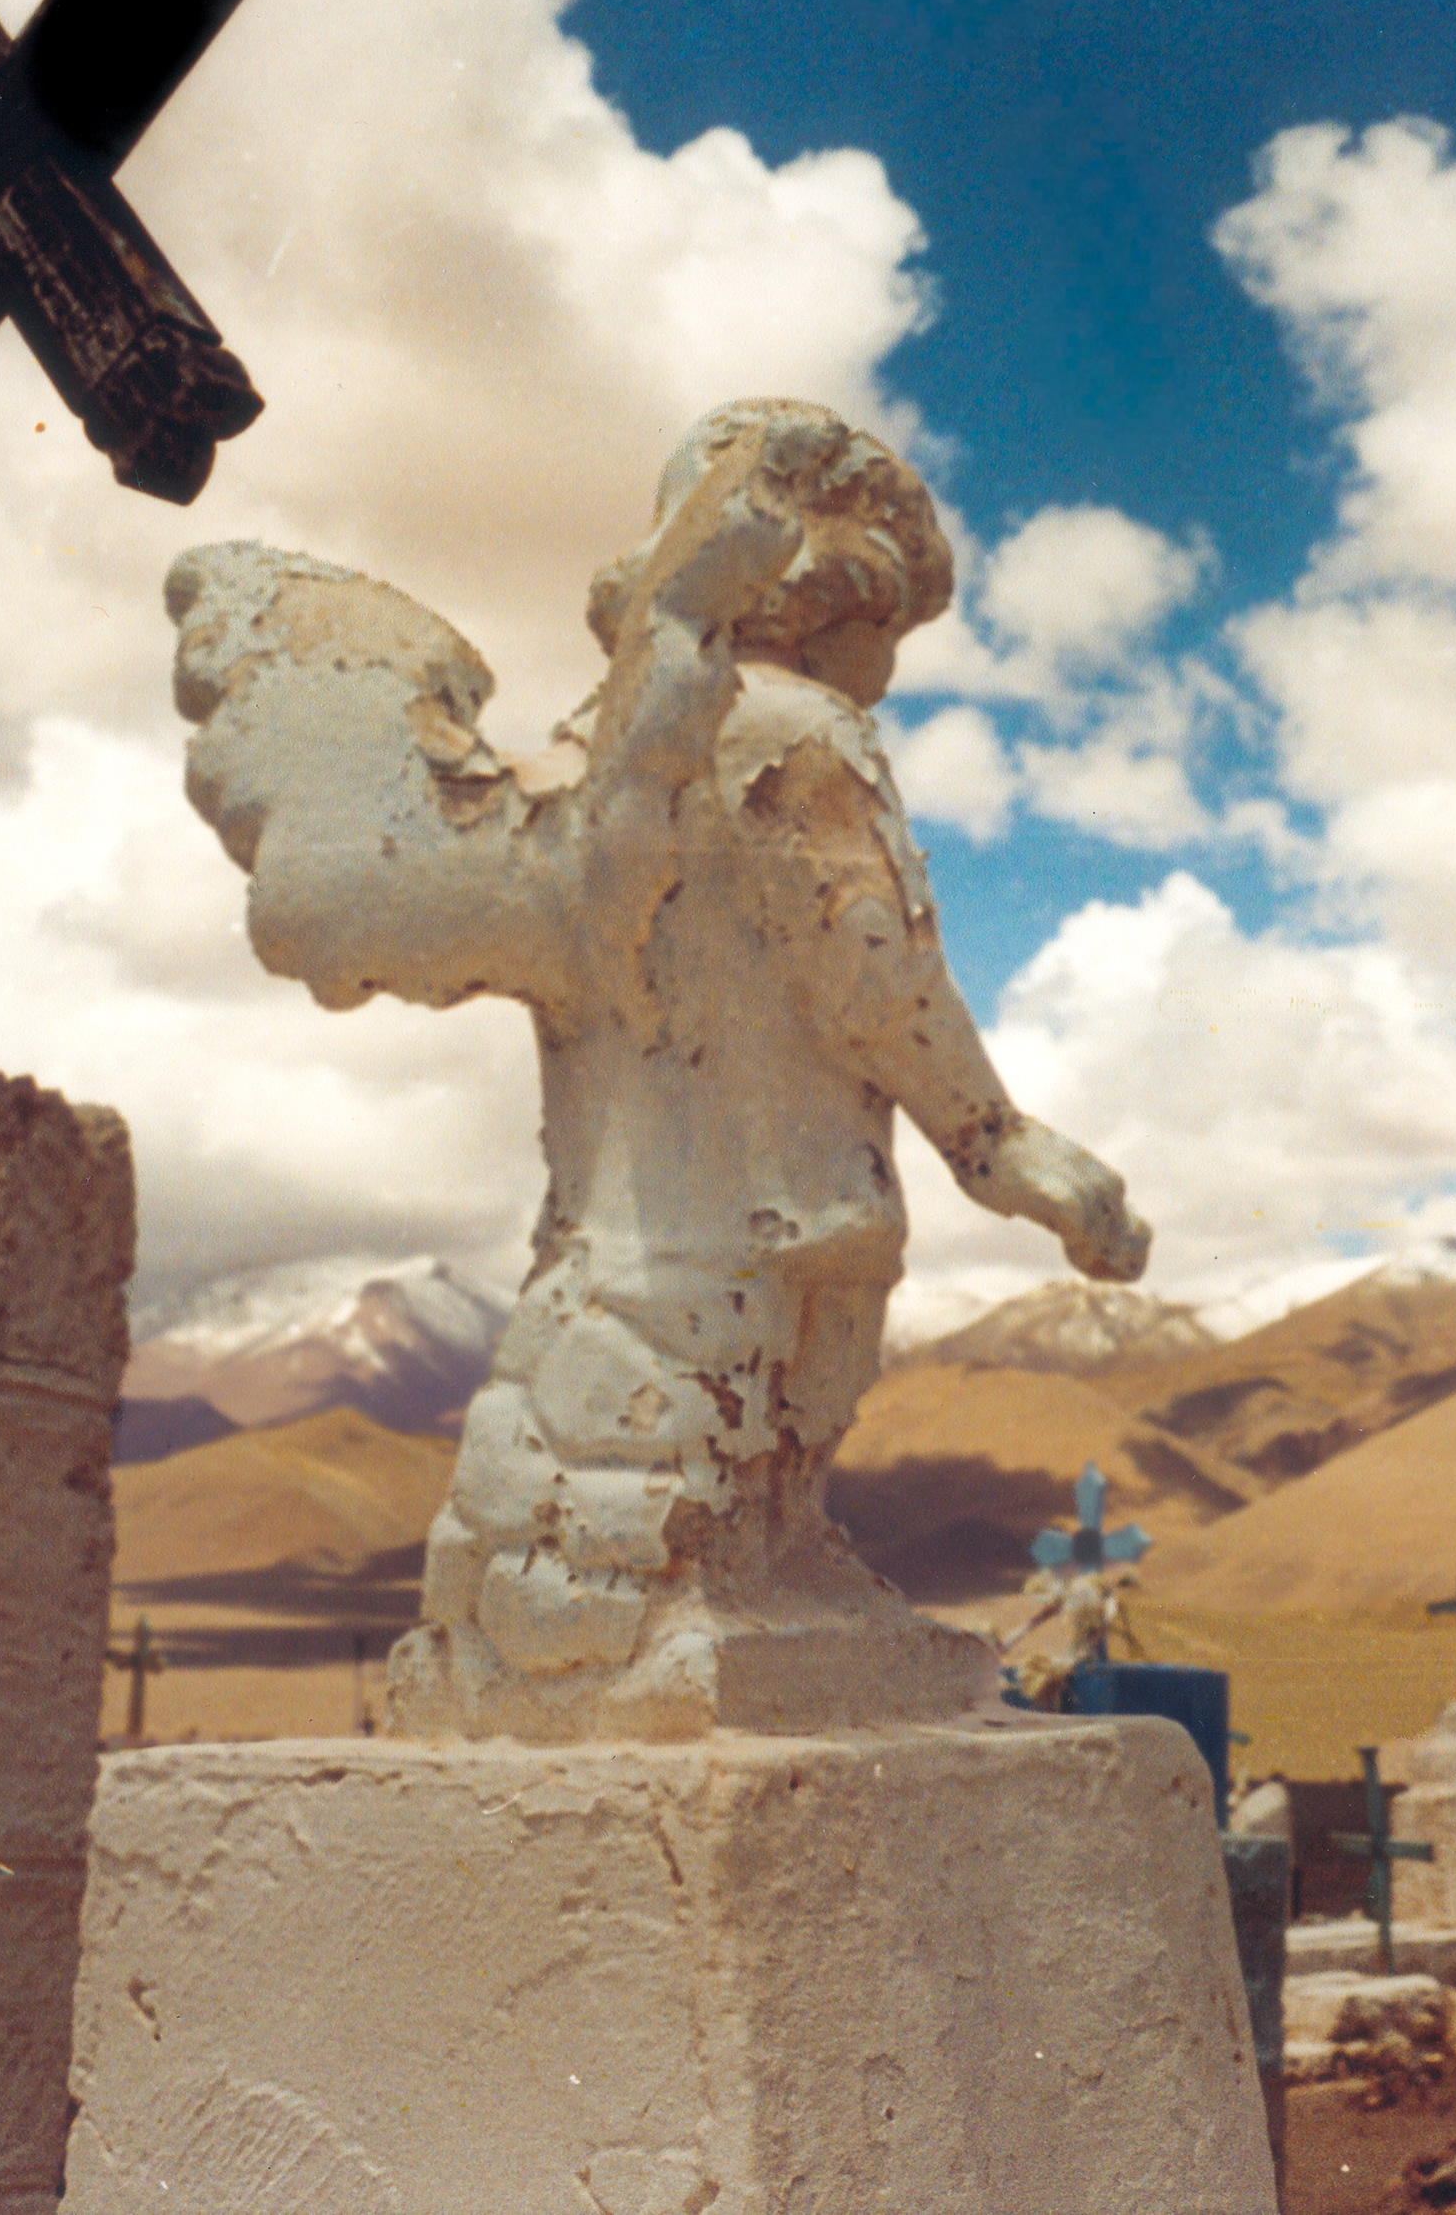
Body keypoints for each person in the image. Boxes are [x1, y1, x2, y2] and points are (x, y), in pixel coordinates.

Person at [169, 398, 1147, 1737]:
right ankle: (692, 1609)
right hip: (768, 1210)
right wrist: (996, 1140)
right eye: (895, 618)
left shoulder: (600, 746)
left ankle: (686, 1600)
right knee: (740, 1434)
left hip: (620, 1231)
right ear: (837, 578)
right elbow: (871, 968)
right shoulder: (798, 735)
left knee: (694, 1449)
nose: (894, 662)